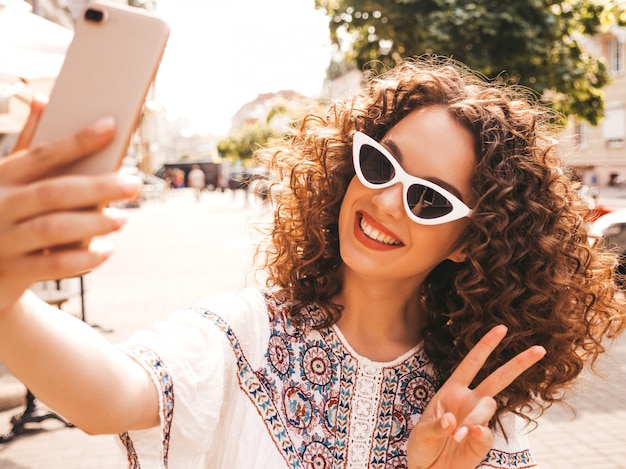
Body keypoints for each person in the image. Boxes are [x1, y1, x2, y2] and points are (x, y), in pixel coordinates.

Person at [0, 56, 624, 469]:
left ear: (469, 241)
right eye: (380, 164)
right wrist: (6, 293)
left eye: (428, 198)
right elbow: (105, 395)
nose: (383, 199)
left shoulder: (472, 404)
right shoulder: (243, 336)